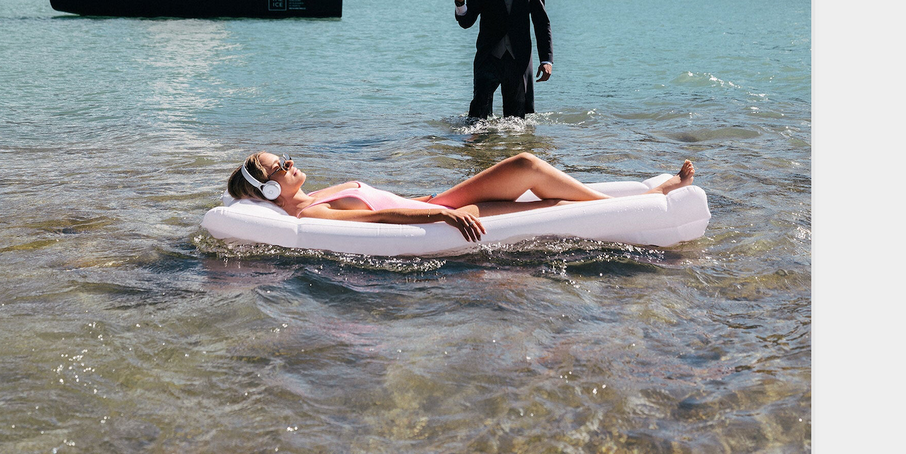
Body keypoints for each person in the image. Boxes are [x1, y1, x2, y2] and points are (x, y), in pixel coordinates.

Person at [226, 150, 698, 245]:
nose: (289, 162)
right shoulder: (312, 211)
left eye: (283, 157)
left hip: (440, 200)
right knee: (529, 172)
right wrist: (446, 218)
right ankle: (652, 196)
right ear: (269, 189)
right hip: (443, 213)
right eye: (279, 167)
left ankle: (649, 192)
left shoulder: (313, 194)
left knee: (530, 173)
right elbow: (381, 218)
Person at [448, 0, 552, 123]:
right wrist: (459, 1)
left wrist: (546, 60)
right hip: (488, 59)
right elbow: (466, 22)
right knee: (477, 120)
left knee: (517, 123)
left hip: (519, 60)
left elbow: (542, 24)